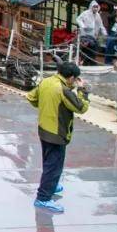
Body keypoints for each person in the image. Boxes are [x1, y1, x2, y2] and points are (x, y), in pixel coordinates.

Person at [27, 62, 89, 213]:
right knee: (54, 166)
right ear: (71, 78)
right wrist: (83, 91)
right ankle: (43, 198)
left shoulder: (46, 82)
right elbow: (81, 107)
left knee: (48, 161)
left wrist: (45, 105)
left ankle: (51, 185)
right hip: (57, 133)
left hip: (44, 129)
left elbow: (31, 97)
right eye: (75, 80)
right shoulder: (63, 90)